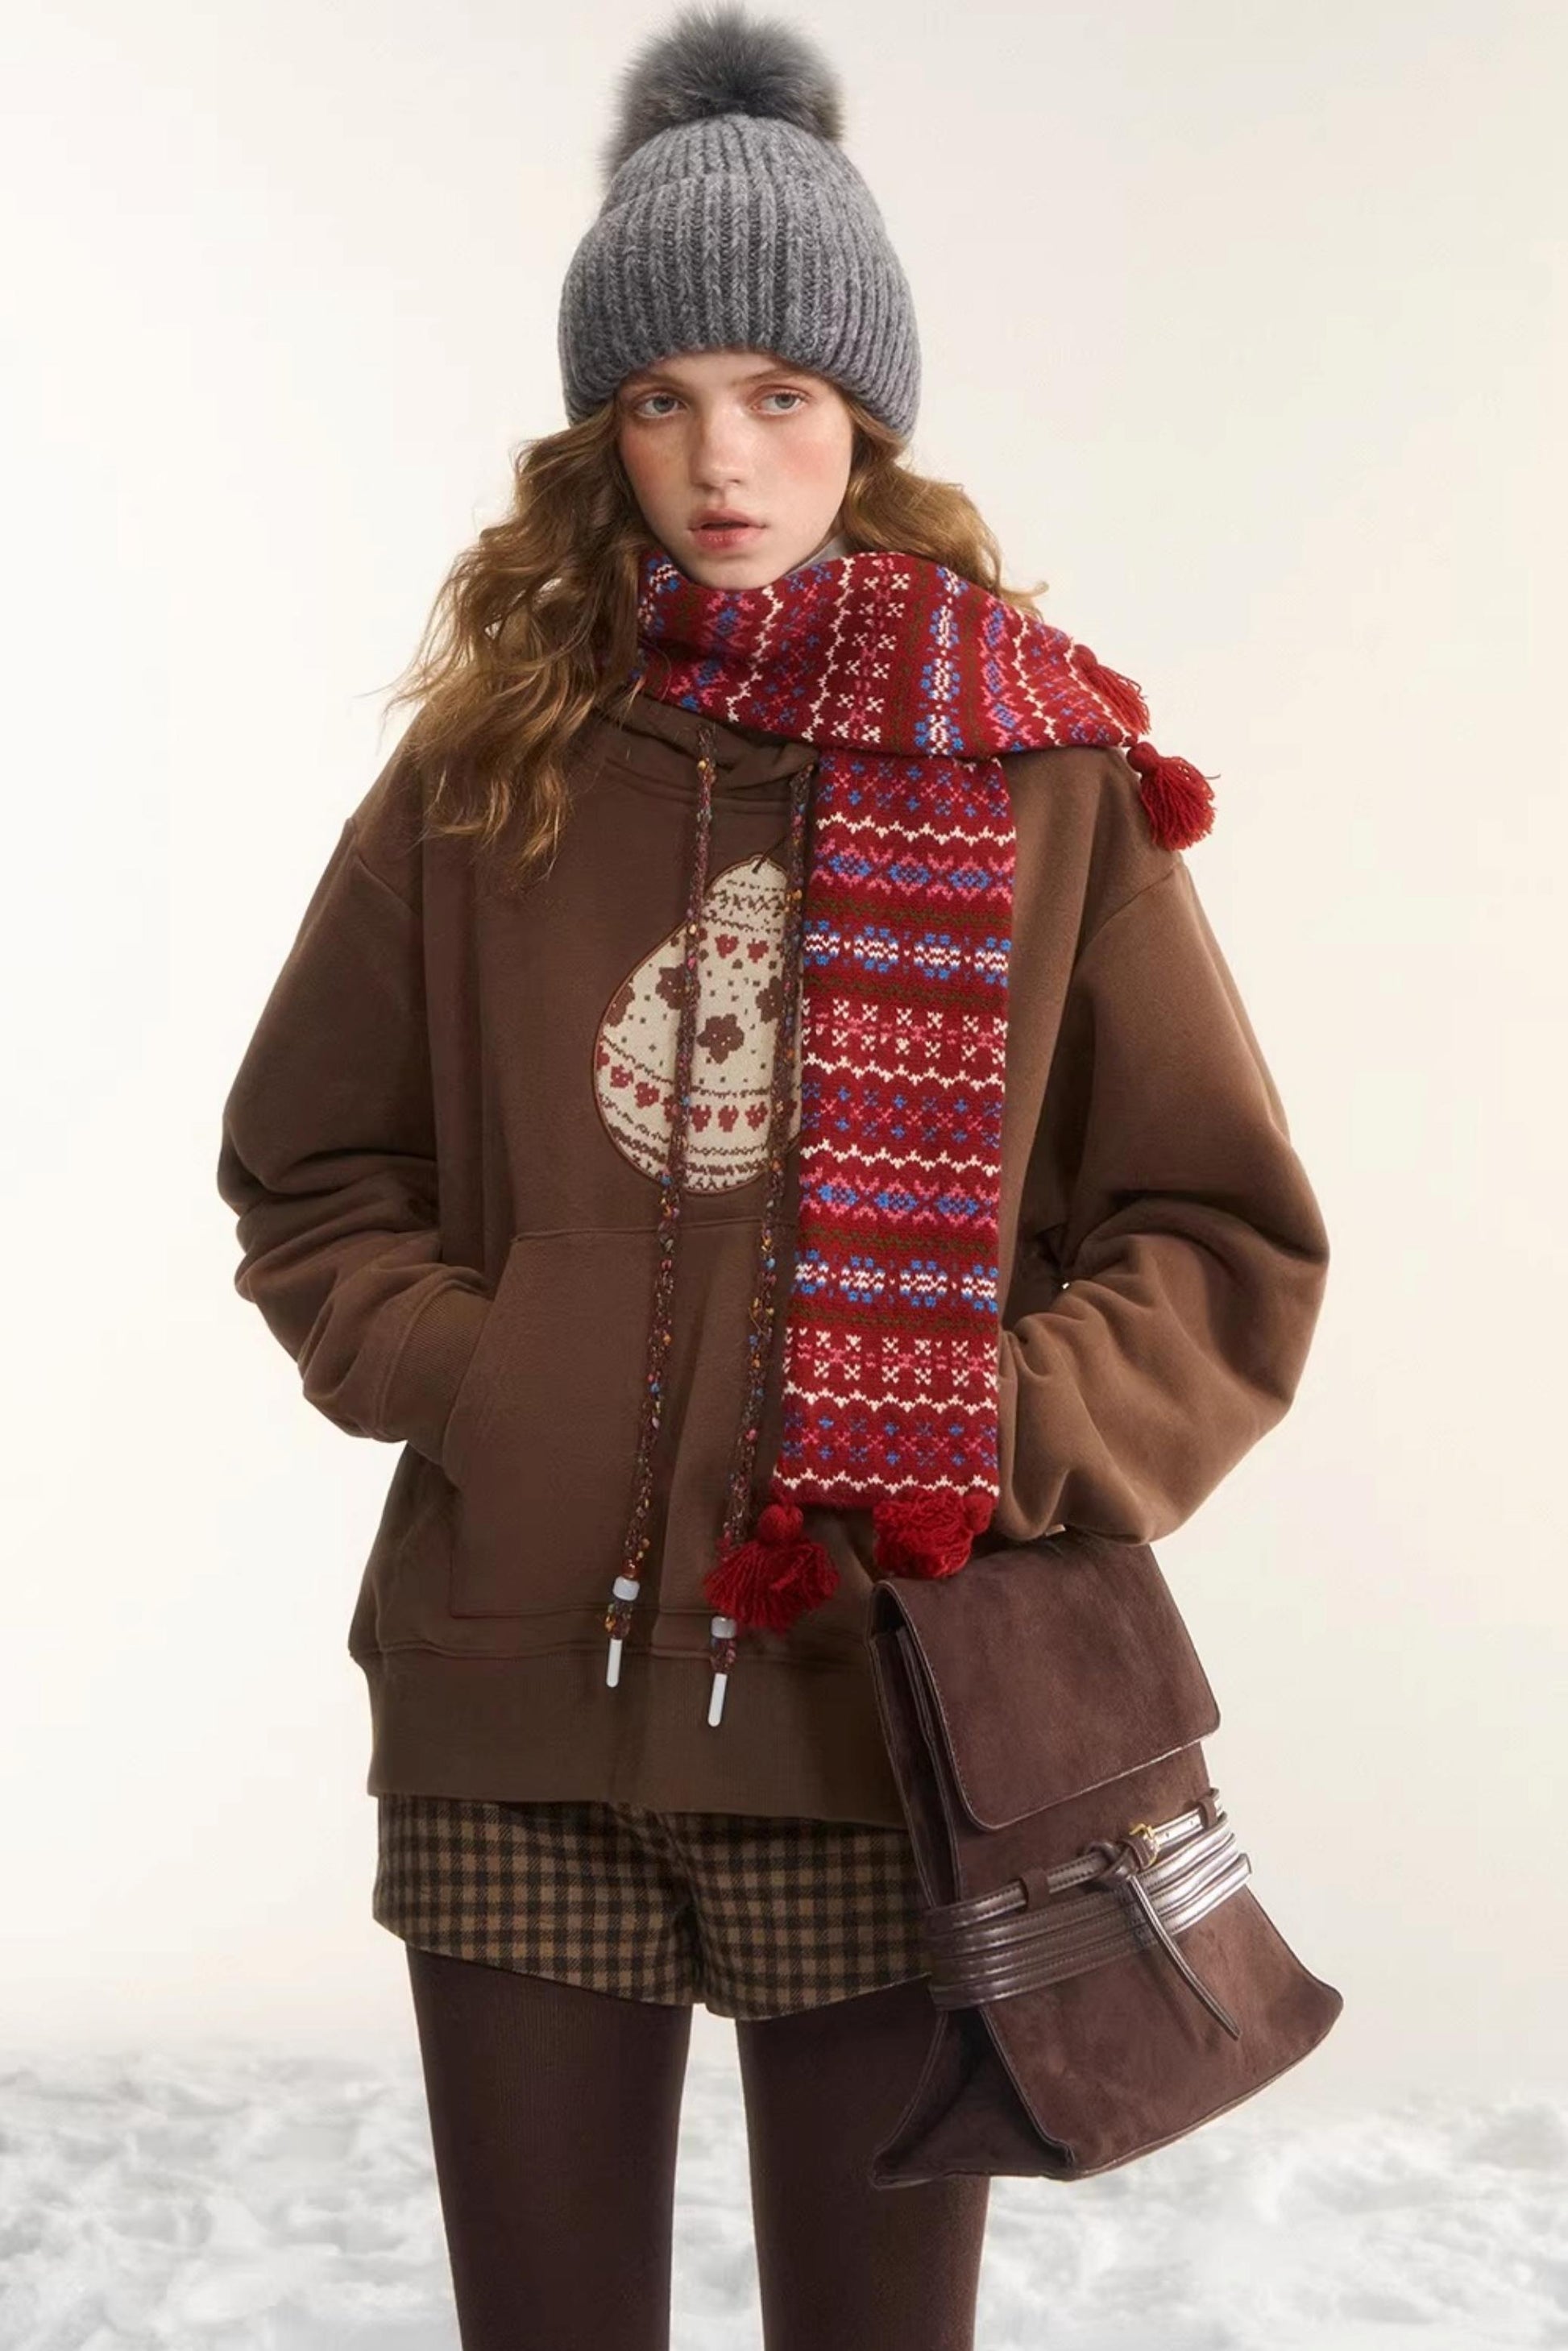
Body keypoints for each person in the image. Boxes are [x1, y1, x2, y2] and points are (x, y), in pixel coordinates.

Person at [215, 7, 1331, 2346]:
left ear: (868, 418)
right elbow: (309, 1167)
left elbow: (1217, 1239)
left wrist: (979, 1425)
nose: (723, 459)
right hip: (515, 1699)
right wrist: (491, 1378)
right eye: (661, 399)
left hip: (872, 1697)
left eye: (782, 393)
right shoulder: (482, 780)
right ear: (596, 432)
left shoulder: (1040, 777)